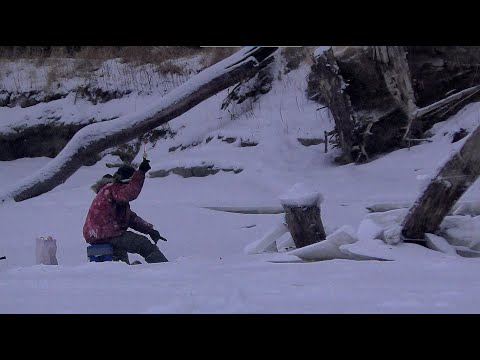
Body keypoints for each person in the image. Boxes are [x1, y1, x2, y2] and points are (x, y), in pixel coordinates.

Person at [83, 158, 168, 264]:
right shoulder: (112, 188)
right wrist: (140, 172)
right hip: (107, 233)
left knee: (120, 263)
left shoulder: (109, 195)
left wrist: (150, 230)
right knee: (143, 244)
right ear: (126, 181)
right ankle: (164, 268)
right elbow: (130, 193)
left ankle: (129, 274)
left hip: (99, 235)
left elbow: (130, 218)